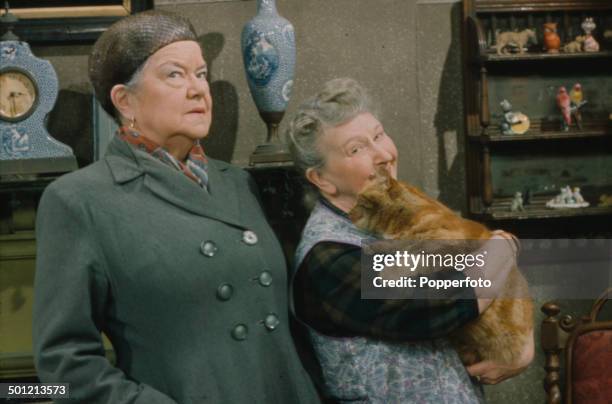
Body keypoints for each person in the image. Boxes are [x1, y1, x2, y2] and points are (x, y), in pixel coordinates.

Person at [33, 10, 320, 404]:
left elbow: (328, 278)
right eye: (175, 75)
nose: (199, 89)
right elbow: (61, 366)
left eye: (201, 74)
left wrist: (433, 275)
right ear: (124, 100)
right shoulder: (79, 201)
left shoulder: (238, 182)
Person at [287, 78, 534, 403]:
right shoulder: (328, 256)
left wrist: (522, 349)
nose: (382, 155)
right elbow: (448, 300)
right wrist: (501, 252)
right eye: (356, 149)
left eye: (378, 135)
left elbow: (489, 281)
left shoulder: (390, 218)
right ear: (321, 179)